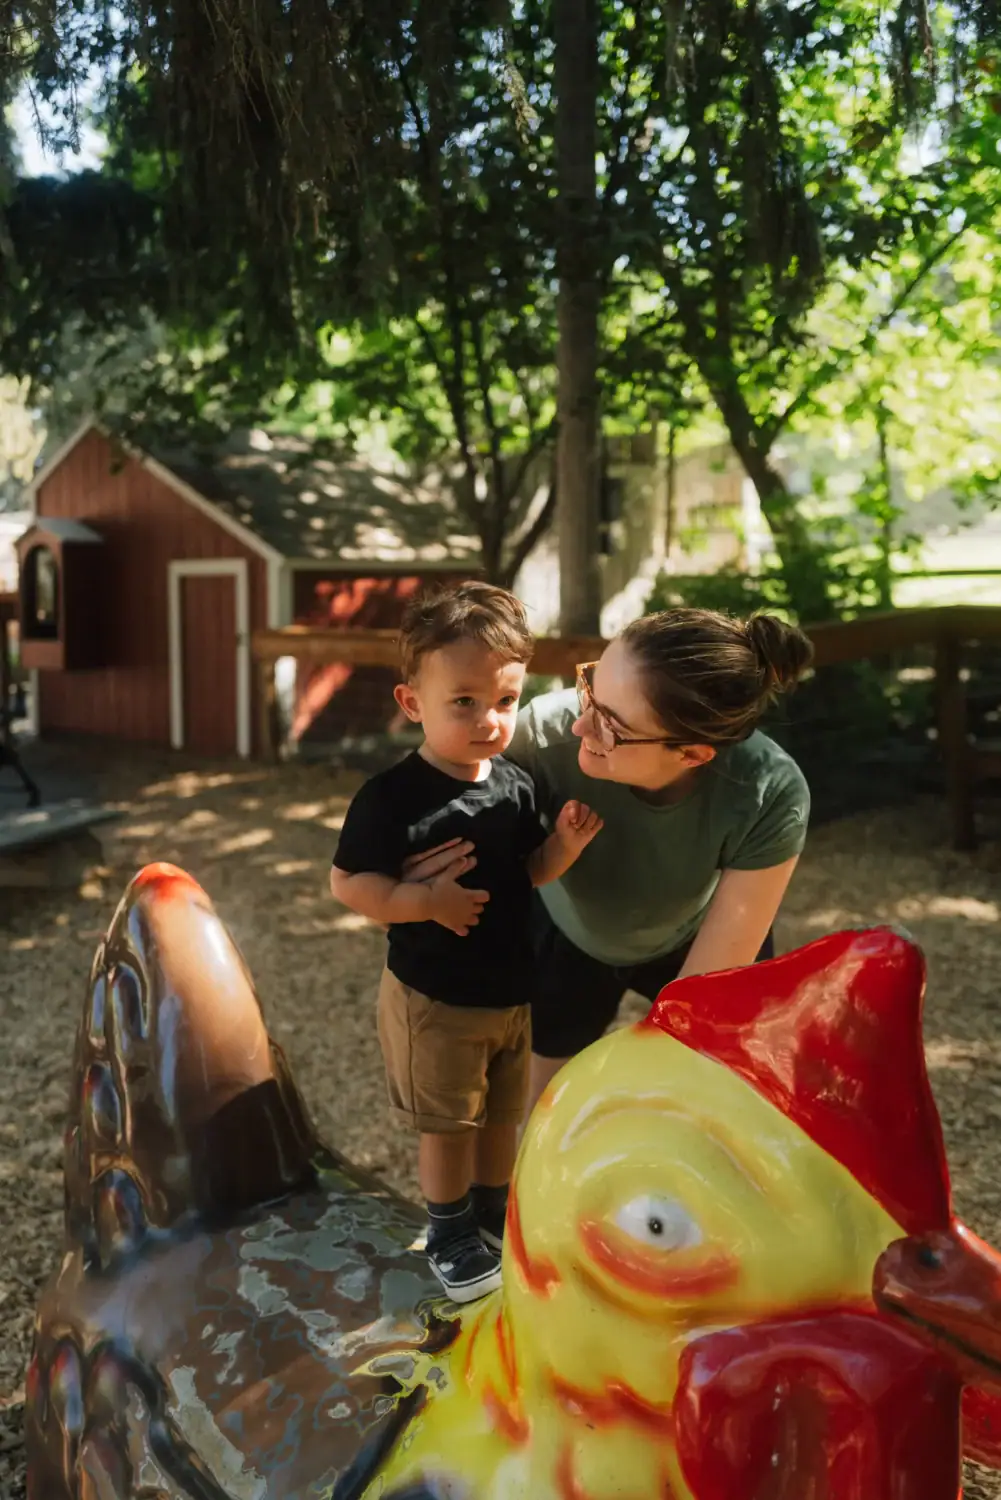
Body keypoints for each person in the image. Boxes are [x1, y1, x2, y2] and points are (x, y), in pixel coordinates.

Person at [399, 607, 813, 1117]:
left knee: (715, 1098)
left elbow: (701, 1000)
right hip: (568, 932)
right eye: (590, 688)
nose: (579, 722)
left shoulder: (768, 793)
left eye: (611, 725)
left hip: (695, 940)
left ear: (692, 755)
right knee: (540, 1108)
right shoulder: (538, 738)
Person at [329, 582, 602, 1303]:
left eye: (505, 701)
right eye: (464, 702)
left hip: (512, 991)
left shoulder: (513, 786)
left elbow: (529, 874)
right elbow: (349, 883)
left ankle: (491, 1207)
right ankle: (447, 1229)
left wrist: (565, 846)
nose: (489, 719)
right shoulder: (392, 798)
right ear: (411, 702)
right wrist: (420, 901)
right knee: (449, 1121)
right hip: (436, 995)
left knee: (502, 1113)